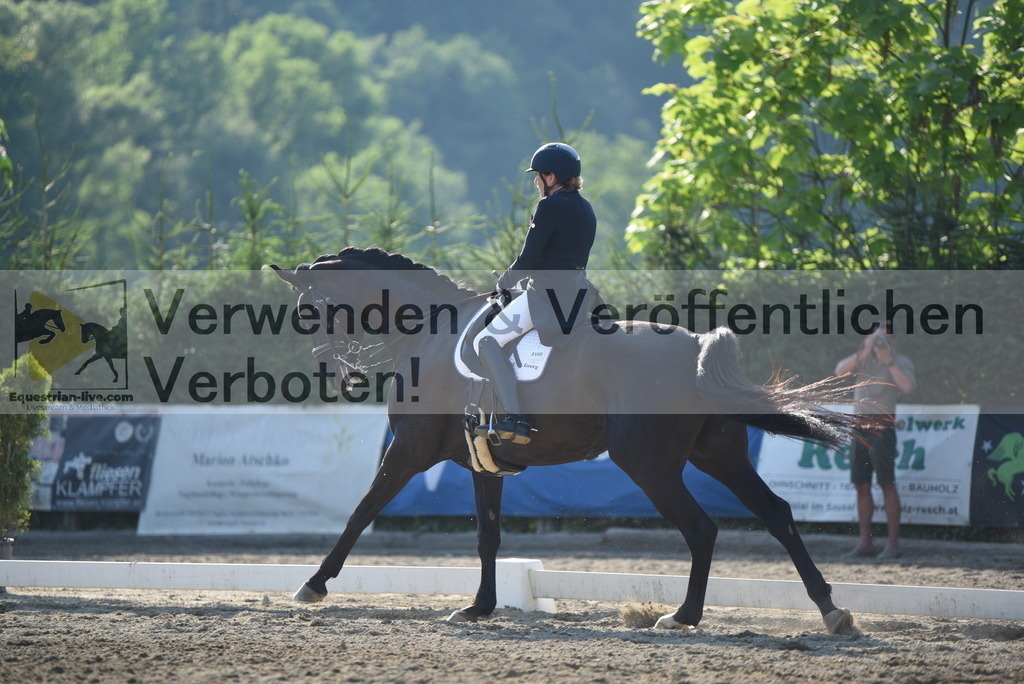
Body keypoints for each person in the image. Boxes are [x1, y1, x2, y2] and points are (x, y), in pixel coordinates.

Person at [473, 142, 597, 445]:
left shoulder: (550, 205)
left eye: (538, 176)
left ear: (551, 177)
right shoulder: (586, 207)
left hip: (545, 296)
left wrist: (504, 281)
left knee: (486, 341)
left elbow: (528, 259)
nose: (535, 182)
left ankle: (515, 418)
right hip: (580, 294)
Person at [834, 324, 916, 559]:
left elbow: (908, 386)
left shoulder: (900, 362)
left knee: (887, 484)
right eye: (876, 336)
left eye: (885, 337)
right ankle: (865, 543)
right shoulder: (863, 361)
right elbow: (839, 371)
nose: (880, 340)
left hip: (882, 427)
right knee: (861, 485)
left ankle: (892, 545)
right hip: (859, 427)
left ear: (894, 340)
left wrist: (888, 359)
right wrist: (865, 349)